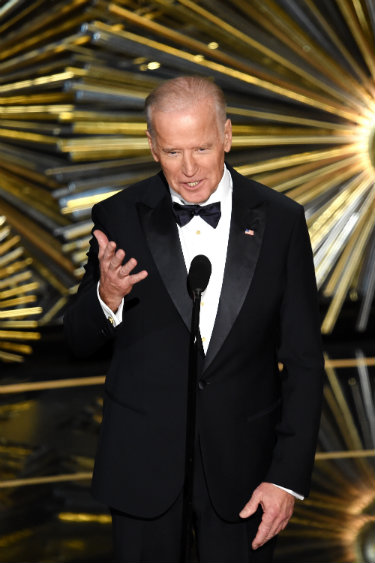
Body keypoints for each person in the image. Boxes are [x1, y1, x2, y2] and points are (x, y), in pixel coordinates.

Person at [64, 75, 324, 563]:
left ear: (227, 135)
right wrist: (107, 295)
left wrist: (286, 478)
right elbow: (75, 338)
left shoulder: (282, 220)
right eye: (171, 151)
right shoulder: (117, 217)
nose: (187, 170)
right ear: (151, 145)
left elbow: (305, 363)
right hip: (143, 474)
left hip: (246, 479)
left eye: (202, 148)